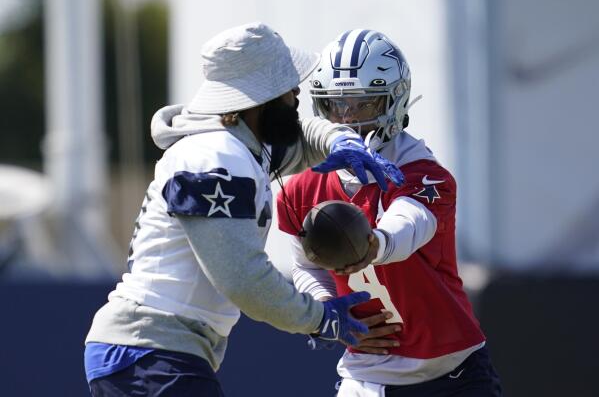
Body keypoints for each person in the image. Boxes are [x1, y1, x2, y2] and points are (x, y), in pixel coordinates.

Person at [83, 23, 405, 396]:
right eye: (287, 87)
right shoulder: (216, 157)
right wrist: (320, 318)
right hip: (150, 350)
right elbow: (242, 277)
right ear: (260, 99)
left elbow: (298, 143)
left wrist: (337, 139)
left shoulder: (236, 149)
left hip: (154, 350)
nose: (296, 93)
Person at [277, 29, 503, 397]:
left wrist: (372, 245)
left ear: (392, 102)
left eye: (361, 104)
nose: (347, 118)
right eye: (336, 105)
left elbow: (407, 225)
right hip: (365, 378)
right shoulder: (303, 187)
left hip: (450, 374)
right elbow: (308, 266)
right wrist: (327, 314)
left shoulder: (423, 172)